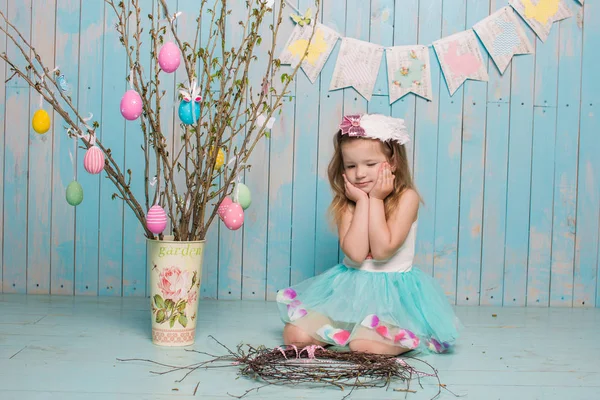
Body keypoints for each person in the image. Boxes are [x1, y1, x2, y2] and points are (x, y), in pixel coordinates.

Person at [276, 113, 461, 356]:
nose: (360, 174)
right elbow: (356, 253)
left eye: (370, 165)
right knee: (295, 335)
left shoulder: (407, 198)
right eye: (351, 166)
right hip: (349, 291)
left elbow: (383, 251)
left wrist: (376, 199)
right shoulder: (348, 202)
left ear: (392, 162)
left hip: (392, 297)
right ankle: (346, 331)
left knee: (364, 347)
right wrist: (362, 202)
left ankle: (399, 336)